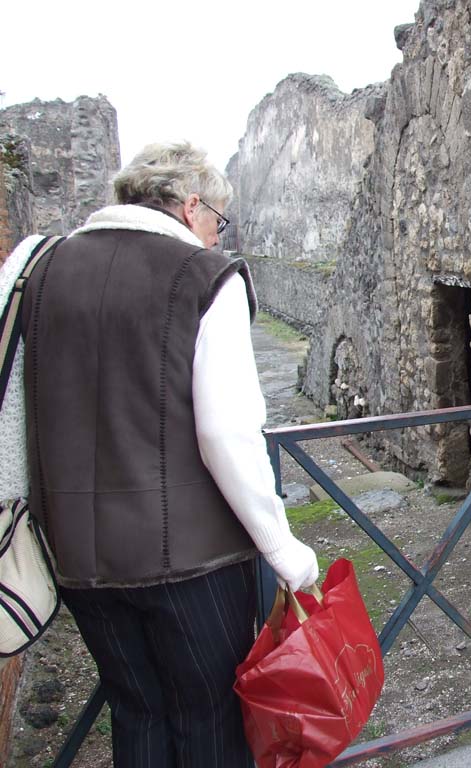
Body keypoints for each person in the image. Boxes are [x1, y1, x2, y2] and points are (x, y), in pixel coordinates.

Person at [0, 141, 318, 766]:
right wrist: (282, 547)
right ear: (190, 204)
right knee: (210, 721)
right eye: (216, 220)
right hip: (192, 563)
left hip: (77, 560)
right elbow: (227, 432)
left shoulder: (40, 270)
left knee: (138, 714)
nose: (214, 236)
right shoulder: (205, 276)